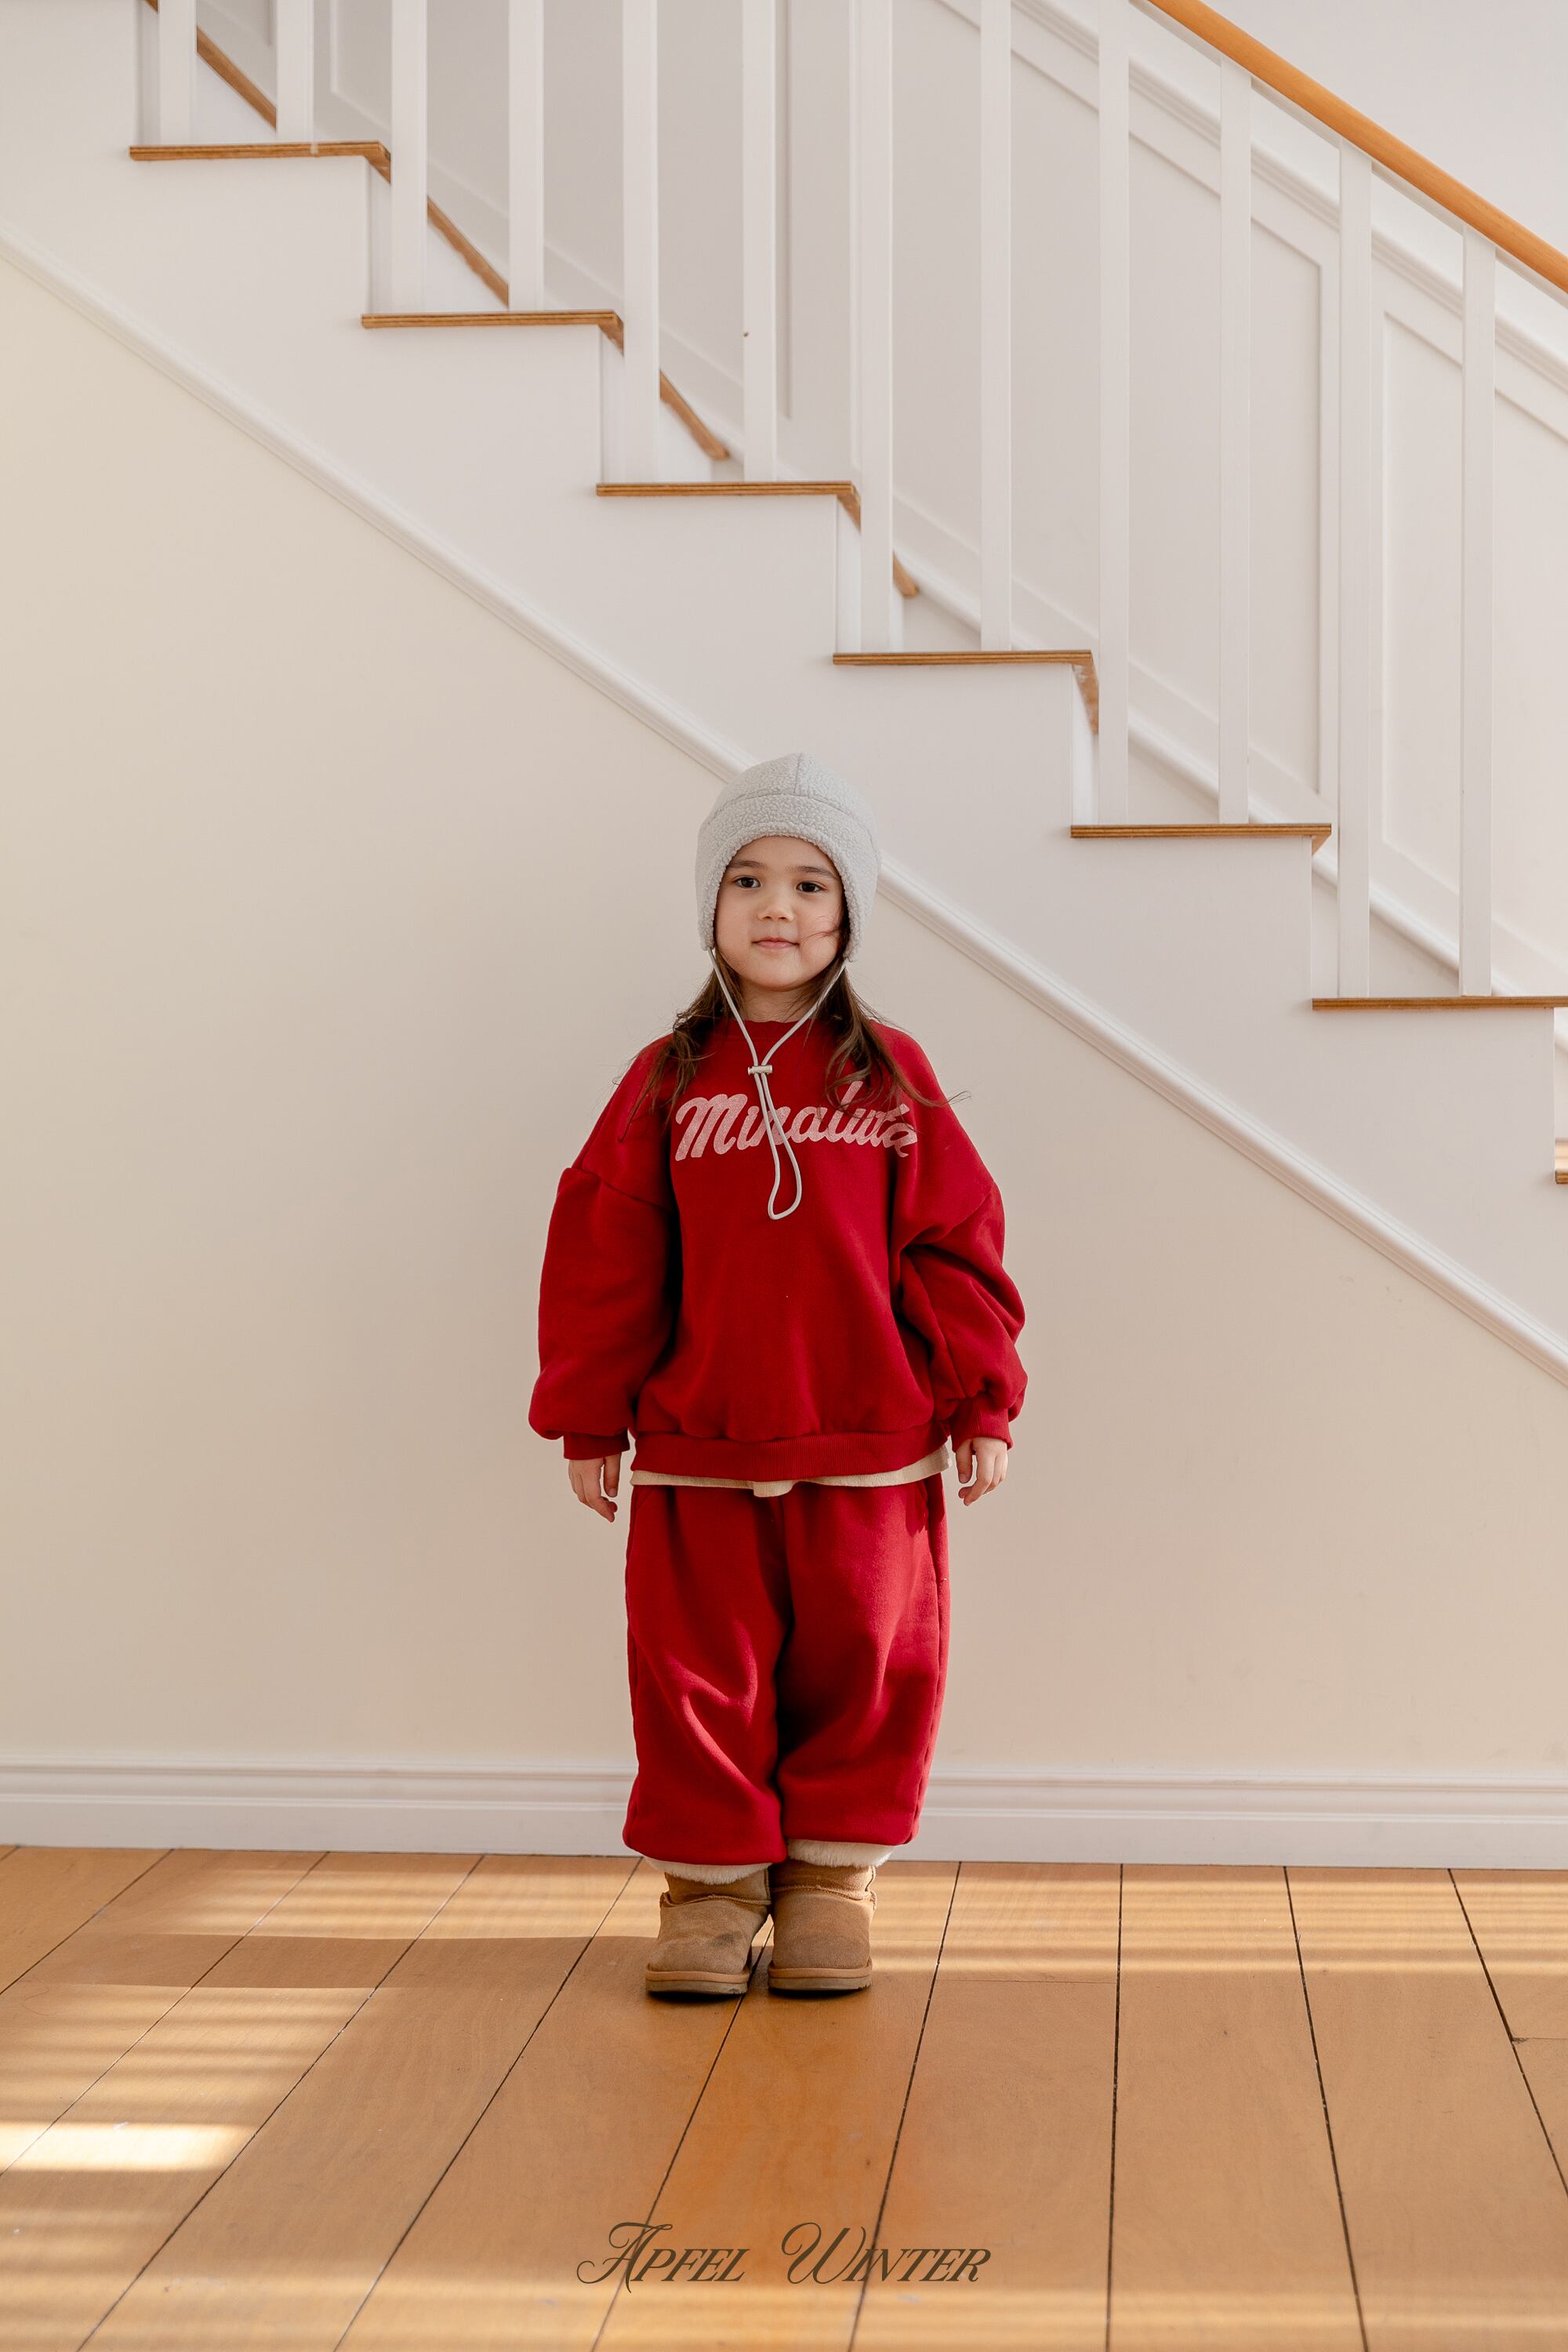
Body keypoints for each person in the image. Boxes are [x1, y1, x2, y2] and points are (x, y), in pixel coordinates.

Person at [528, 752, 1025, 2000]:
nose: (778, 907)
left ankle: (827, 1885)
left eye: (811, 883)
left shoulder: (889, 1074)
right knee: (698, 1681)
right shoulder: (665, 1079)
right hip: (699, 1447)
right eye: (747, 879)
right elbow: (606, 1254)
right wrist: (589, 1415)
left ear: (849, 912)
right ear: (709, 905)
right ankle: (709, 1892)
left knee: (868, 1669)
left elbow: (954, 1243)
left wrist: (982, 1398)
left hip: (871, 1447)